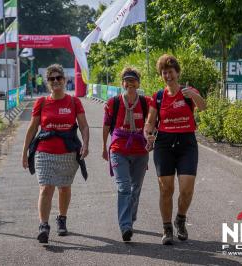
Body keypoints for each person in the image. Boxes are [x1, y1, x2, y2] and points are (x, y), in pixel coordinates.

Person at [22, 64, 90, 244]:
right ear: (48, 82)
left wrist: (86, 144)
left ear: (65, 80)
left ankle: (62, 218)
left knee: (64, 187)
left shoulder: (74, 102)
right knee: (46, 187)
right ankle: (43, 225)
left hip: (68, 152)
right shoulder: (42, 102)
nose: (56, 81)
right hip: (44, 151)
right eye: (52, 79)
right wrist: (24, 152)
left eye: (59, 77)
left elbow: (83, 125)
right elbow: (32, 128)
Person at [144, 54, 206, 245]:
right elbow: (150, 122)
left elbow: (203, 107)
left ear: (177, 73)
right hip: (164, 144)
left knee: (187, 189)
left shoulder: (189, 92)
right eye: (164, 73)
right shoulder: (159, 96)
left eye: (170, 72)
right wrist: (148, 134)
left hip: (187, 143)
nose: (168, 76)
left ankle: (180, 219)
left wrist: (193, 95)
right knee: (166, 189)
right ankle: (167, 228)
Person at [102, 67, 149, 242]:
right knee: (124, 187)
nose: (130, 83)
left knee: (135, 189)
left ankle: (130, 218)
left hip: (140, 151)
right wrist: (103, 147)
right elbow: (106, 126)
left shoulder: (146, 102)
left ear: (138, 83)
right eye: (127, 80)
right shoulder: (113, 103)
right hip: (119, 149)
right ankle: (125, 226)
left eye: (133, 80)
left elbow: (154, 120)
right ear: (122, 83)